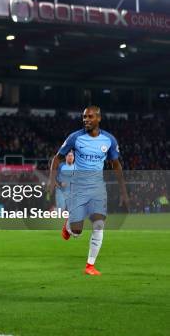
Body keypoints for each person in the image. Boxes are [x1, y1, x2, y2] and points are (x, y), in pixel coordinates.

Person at [48, 106, 129, 276]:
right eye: (84, 117)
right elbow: (57, 157)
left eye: (90, 117)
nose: (86, 120)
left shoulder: (109, 140)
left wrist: (124, 191)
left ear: (98, 118)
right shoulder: (75, 138)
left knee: (99, 225)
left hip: (98, 187)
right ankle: (69, 226)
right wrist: (51, 179)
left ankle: (89, 266)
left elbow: (116, 165)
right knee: (77, 230)